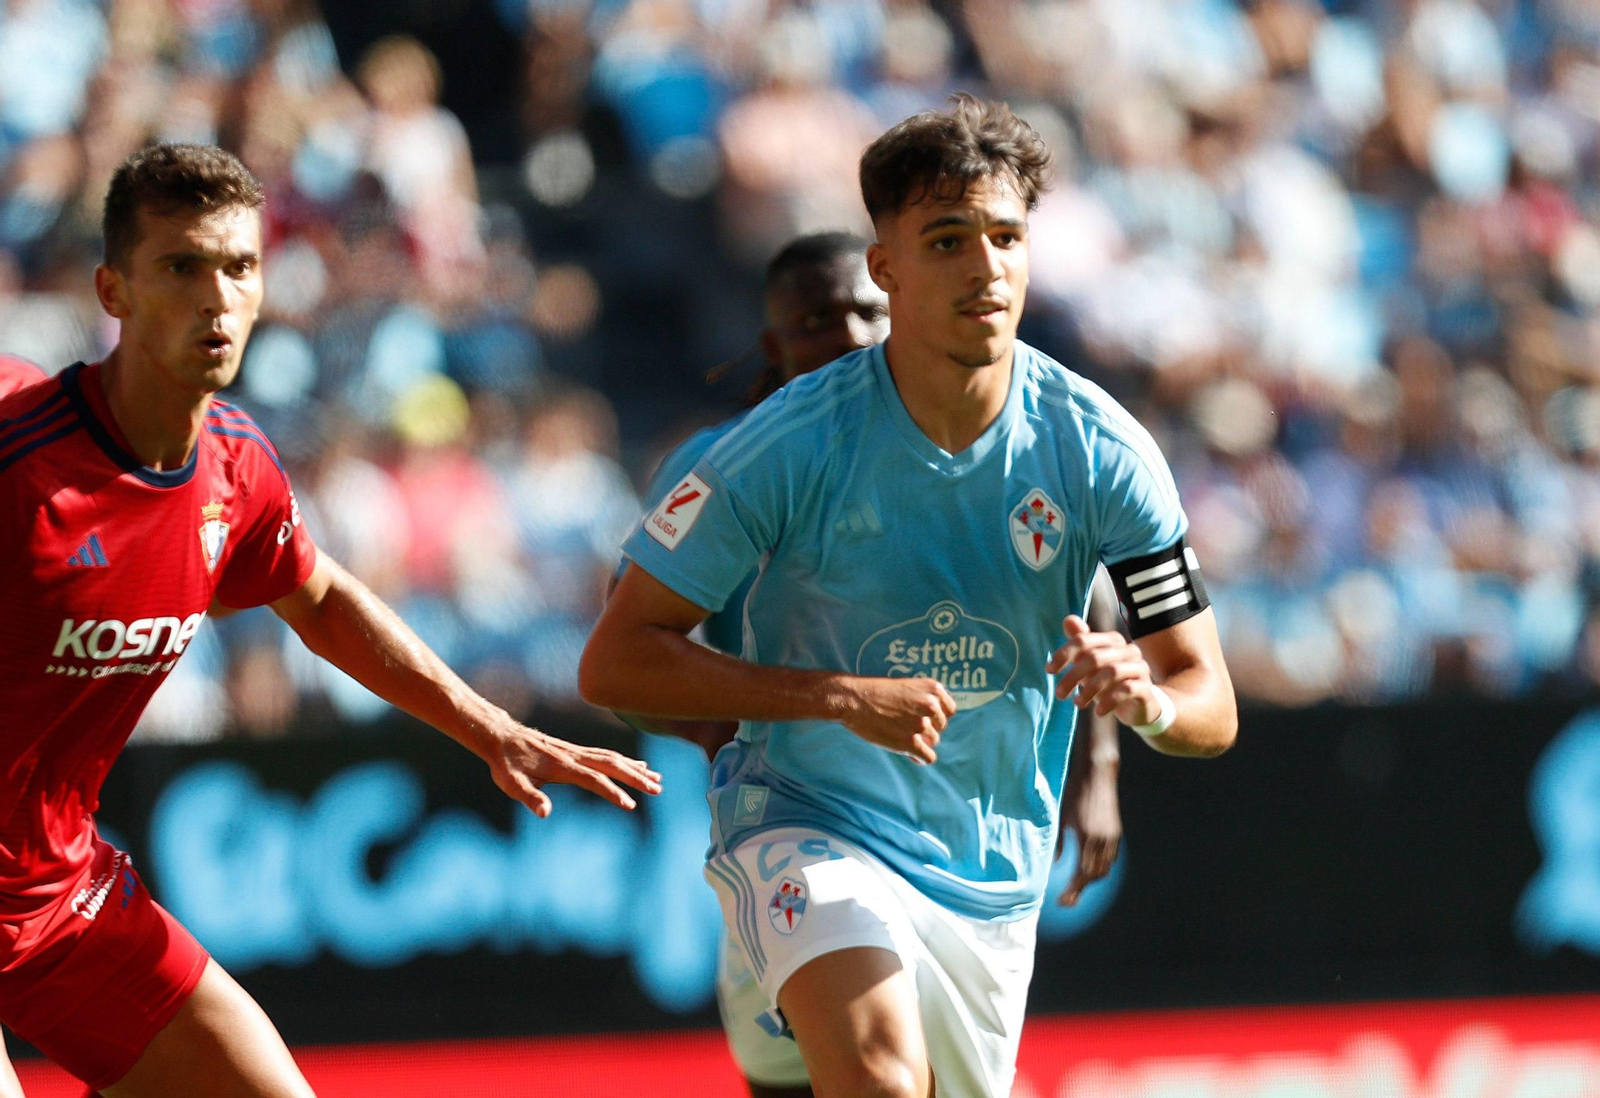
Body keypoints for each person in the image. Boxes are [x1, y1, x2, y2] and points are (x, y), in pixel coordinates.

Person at [581, 95, 1237, 1098]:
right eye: (947, 239)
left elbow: (1209, 705)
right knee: (880, 1078)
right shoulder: (783, 446)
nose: (985, 268)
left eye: (1006, 237)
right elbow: (616, 660)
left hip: (987, 874)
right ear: (885, 266)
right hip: (802, 819)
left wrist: (1142, 701)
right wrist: (837, 698)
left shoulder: (1102, 451)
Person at [0, 143, 660, 1098]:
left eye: (239, 266)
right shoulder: (20, 453)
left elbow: (323, 604)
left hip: (60, 897)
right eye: (180, 267)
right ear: (114, 290)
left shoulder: (237, 467)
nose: (215, 297)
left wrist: (493, 730)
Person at [624, 230, 1123, 1097]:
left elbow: (1087, 590)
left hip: (951, 820)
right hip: (798, 811)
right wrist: (734, 723)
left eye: (866, 310)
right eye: (818, 319)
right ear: (774, 346)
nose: (849, 333)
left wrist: (1100, 765)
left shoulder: (965, 440)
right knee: (822, 1075)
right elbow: (625, 658)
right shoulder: (725, 465)